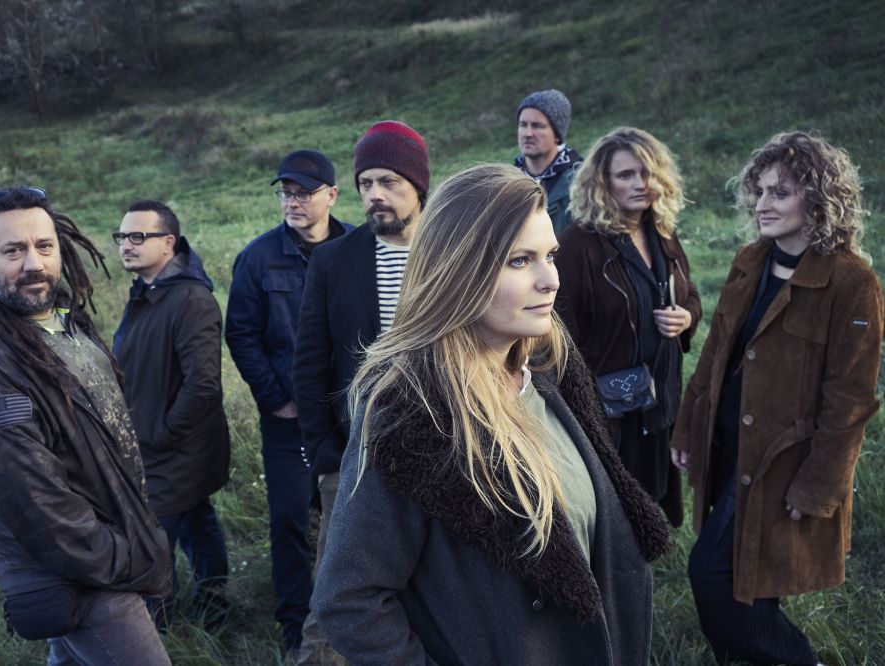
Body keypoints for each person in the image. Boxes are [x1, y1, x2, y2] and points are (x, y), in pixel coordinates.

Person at [310, 163, 670, 664]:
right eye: (520, 261)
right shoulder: (412, 416)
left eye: (550, 255)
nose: (550, 280)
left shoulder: (550, 371)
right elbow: (351, 601)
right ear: (459, 270)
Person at [671, 131, 883, 664]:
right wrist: (689, 427)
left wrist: (819, 484)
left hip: (779, 460)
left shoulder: (851, 282)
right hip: (726, 442)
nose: (762, 204)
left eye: (780, 193)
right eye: (760, 191)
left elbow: (850, 401)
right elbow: (715, 354)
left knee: (711, 573)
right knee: (745, 576)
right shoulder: (750, 259)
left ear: (819, 199)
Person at [0, 187, 172, 664]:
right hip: (83, 580)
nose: (34, 263)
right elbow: (30, 494)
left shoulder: (61, 320)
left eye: (44, 246)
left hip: (95, 554)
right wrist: (119, 558)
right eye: (13, 251)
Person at [292, 119, 430, 640]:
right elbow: (309, 363)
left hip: (442, 447)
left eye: (388, 182)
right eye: (365, 183)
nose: (374, 195)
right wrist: (325, 456)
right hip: (355, 455)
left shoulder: (451, 252)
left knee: (434, 588)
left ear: (418, 185)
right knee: (337, 596)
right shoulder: (334, 260)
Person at [226, 150, 352, 661]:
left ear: (331, 195)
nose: (292, 202)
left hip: (345, 417)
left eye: (303, 193)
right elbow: (241, 334)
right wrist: (276, 400)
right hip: (289, 422)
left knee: (351, 517)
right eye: (285, 193)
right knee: (289, 520)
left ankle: (353, 614)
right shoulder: (258, 258)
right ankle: (295, 627)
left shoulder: (354, 249)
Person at [555, 127, 701, 526]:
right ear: (602, 182)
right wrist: (582, 408)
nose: (641, 184)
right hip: (608, 415)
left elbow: (690, 295)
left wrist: (686, 317)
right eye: (626, 175)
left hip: (659, 400)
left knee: (650, 508)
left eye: (647, 173)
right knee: (613, 518)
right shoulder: (577, 246)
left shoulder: (663, 235)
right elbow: (557, 338)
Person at [112, 200, 231, 629]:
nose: (126, 245)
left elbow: (203, 385)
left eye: (137, 236)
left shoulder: (191, 299)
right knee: (197, 519)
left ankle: (156, 626)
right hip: (156, 443)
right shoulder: (148, 291)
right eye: (122, 236)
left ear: (168, 242)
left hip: (176, 448)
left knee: (152, 539)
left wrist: (162, 434)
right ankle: (214, 605)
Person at [514, 88, 583, 233]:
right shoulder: (507, 181)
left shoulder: (581, 183)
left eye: (537, 126)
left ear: (557, 135)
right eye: (523, 125)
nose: (528, 133)